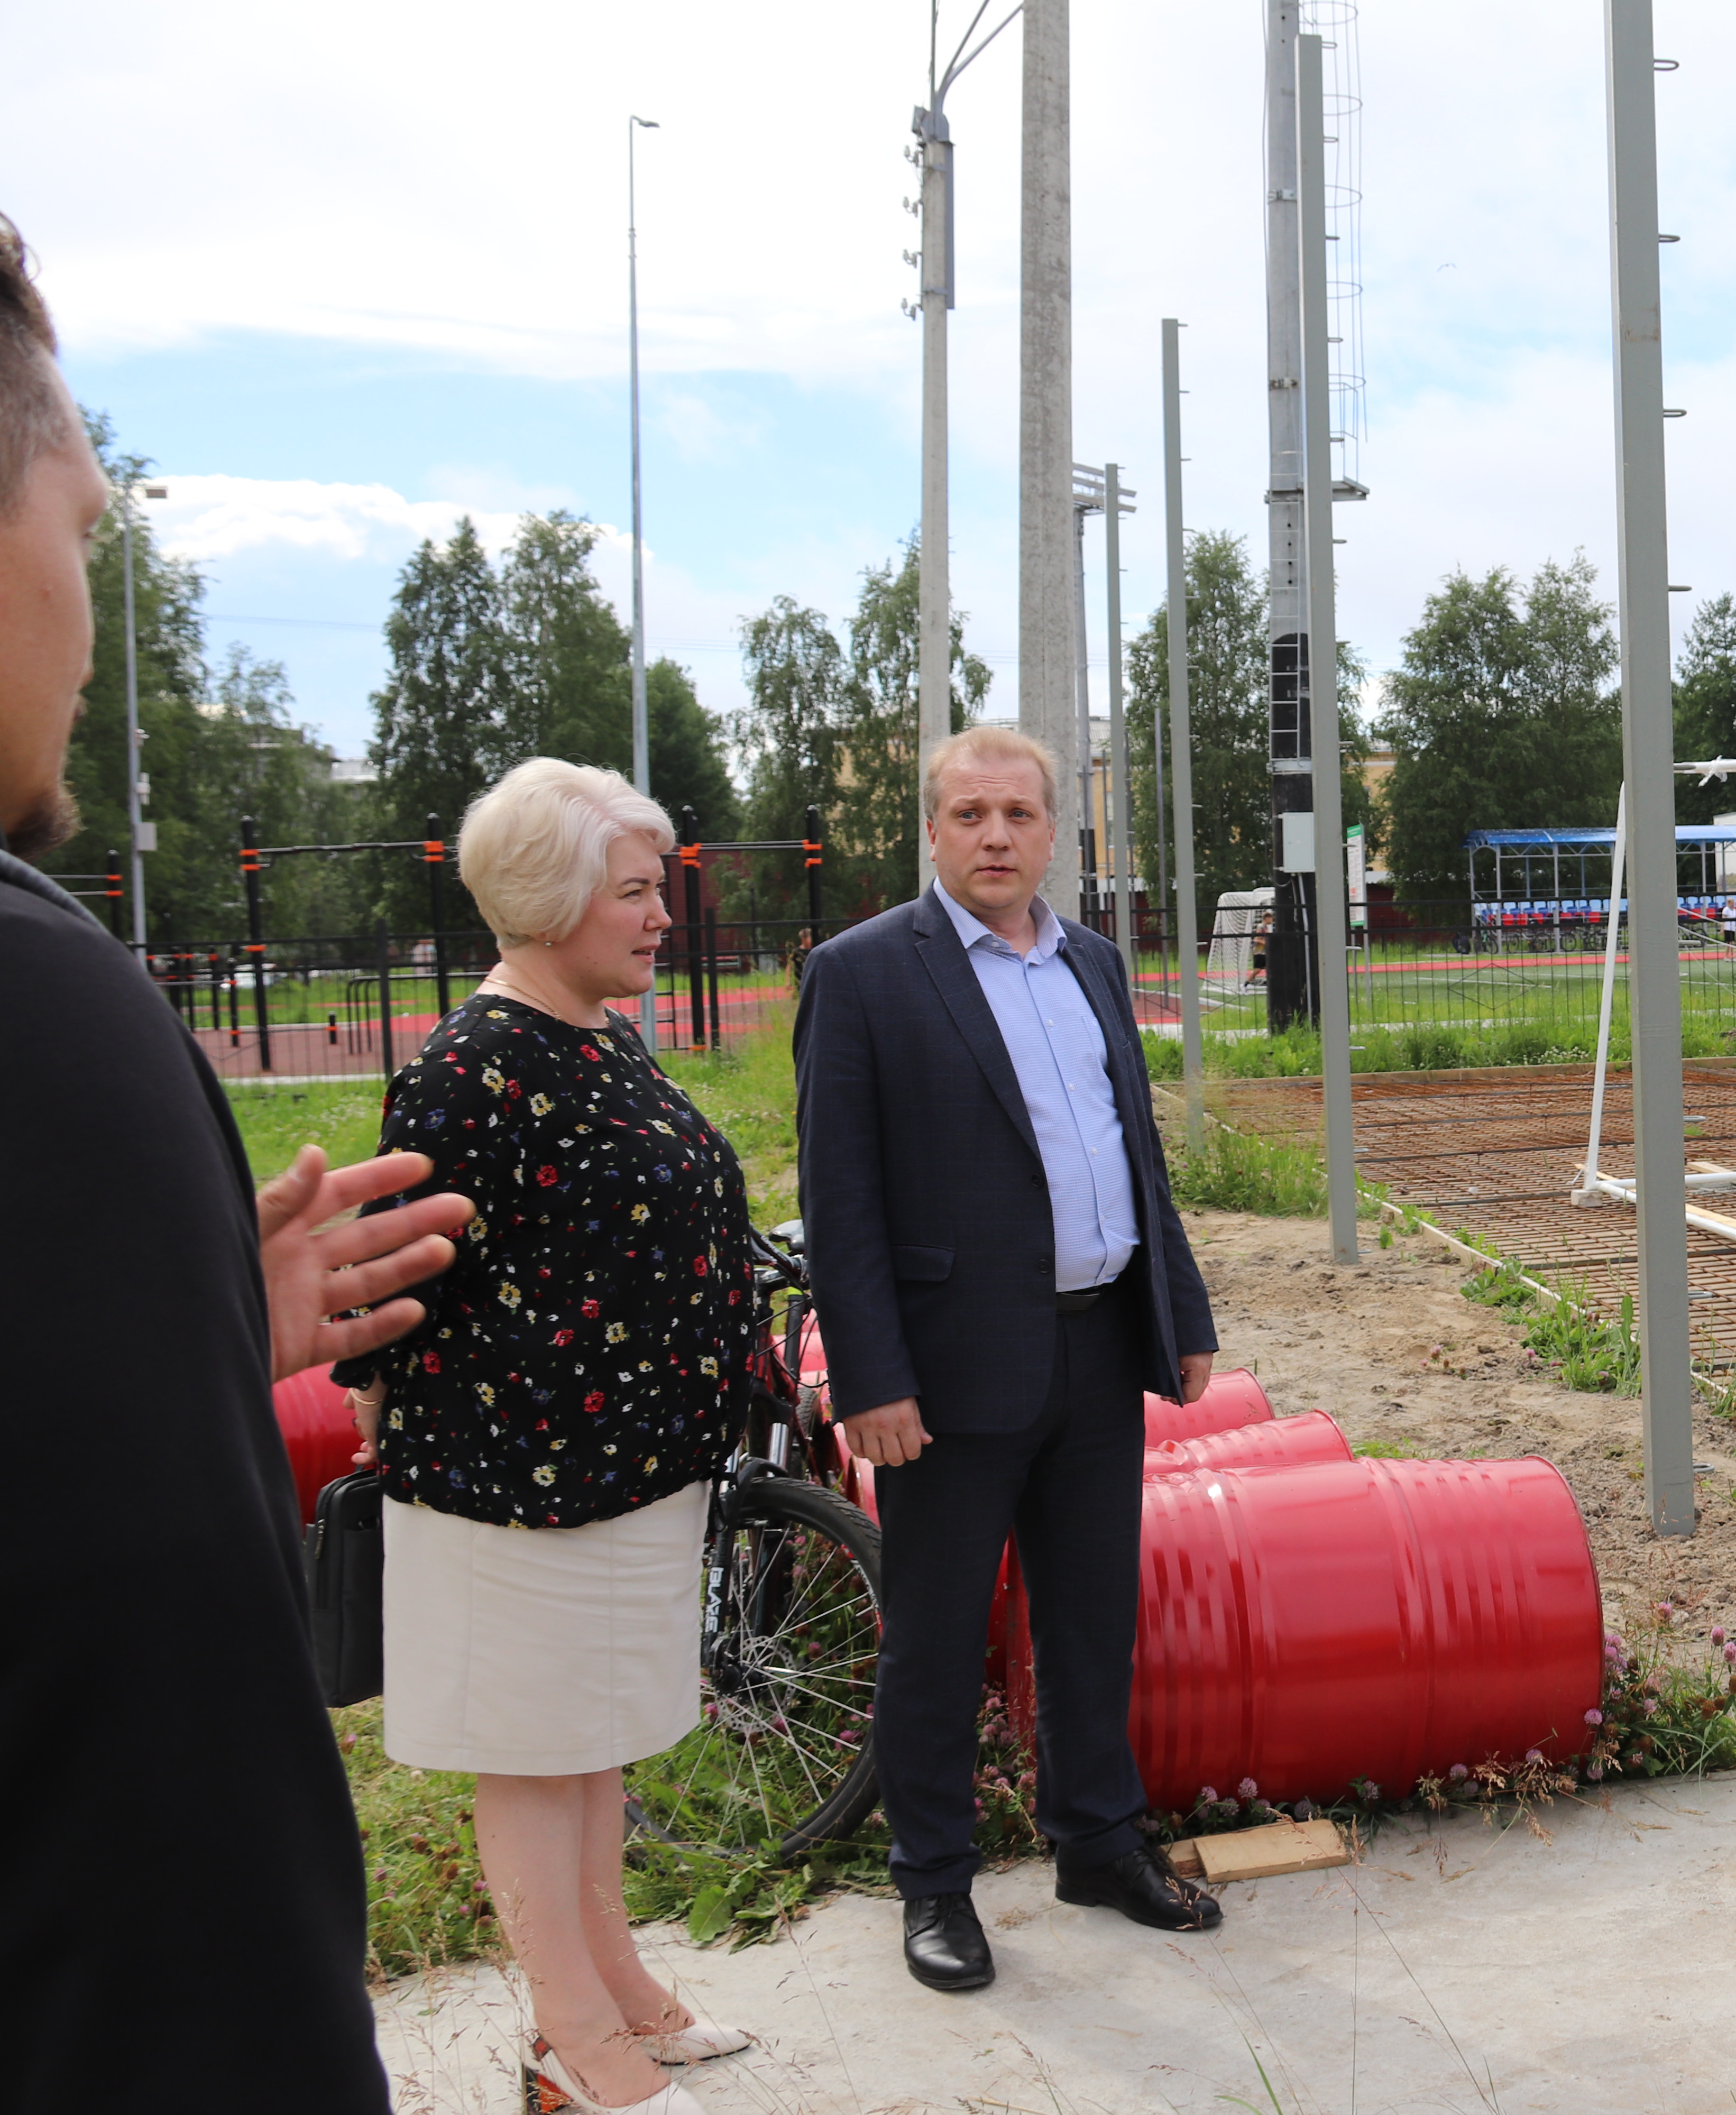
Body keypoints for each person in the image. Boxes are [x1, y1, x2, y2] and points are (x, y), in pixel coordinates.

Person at [0, 210, 470, 2111]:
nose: (90, 599)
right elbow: (158, 1803)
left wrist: (189, 1332)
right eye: (84, 525)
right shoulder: (44, 1015)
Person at [334, 760, 756, 2115]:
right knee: (532, 1744)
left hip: (627, 1467)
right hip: (510, 1488)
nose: (659, 918)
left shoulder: (595, 1037)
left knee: (595, 1736)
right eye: (636, 891)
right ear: (557, 895)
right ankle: (569, 2032)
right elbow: (394, 1284)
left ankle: (619, 1980)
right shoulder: (472, 1067)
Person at [795, 724, 1224, 1995]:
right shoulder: (864, 972)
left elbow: (1132, 1151)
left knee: (1095, 1615)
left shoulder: (1091, 961)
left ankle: (1096, 1840)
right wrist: (869, 1375)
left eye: (1019, 814)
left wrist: (1180, 1309)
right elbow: (842, 1193)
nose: (995, 835)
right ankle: (933, 1881)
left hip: (1097, 1349)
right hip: (949, 1369)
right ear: (932, 830)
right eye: (970, 812)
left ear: (1055, 831)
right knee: (932, 1634)